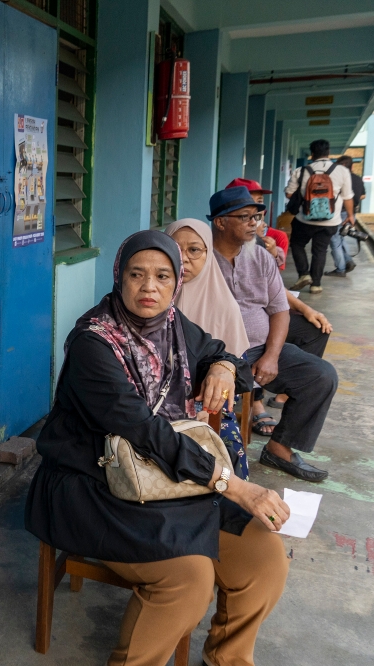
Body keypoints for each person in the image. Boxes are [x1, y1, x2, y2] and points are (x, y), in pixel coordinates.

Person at [25, 231, 289, 666]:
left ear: (176, 283)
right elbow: (144, 430)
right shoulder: (95, 343)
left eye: (163, 276)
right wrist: (234, 485)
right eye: (137, 274)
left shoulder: (174, 326)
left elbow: (225, 356)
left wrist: (222, 366)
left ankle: (227, 659)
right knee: (189, 579)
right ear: (119, 277)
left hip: (171, 476)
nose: (150, 287)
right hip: (95, 481)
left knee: (265, 558)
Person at [210, 187, 338, 481]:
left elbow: (279, 309)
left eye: (256, 216)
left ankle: (279, 448)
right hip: (216, 355)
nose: (254, 223)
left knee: (321, 375)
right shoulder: (199, 259)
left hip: (257, 349)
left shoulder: (260, 258)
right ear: (220, 222)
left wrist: (272, 355)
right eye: (244, 217)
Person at [224, 179, 333, 422]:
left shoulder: (264, 242)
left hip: (264, 318)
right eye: (246, 212)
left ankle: (282, 392)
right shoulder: (208, 250)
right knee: (254, 347)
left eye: (258, 209)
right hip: (240, 339)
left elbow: (275, 293)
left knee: (314, 329)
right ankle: (257, 402)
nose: (254, 218)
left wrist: (305, 309)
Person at [165, 218, 252, 479]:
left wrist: (204, 406)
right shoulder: (151, 296)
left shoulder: (224, 307)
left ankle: (231, 511)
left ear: (208, 255)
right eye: (175, 249)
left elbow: (239, 374)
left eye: (194, 250)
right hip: (152, 402)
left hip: (206, 403)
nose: (184, 259)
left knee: (221, 442)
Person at [285, 139, 354, 293]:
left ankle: (304, 274)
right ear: (328, 153)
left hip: (305, 219)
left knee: (297, 244)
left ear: (312, 154)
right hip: (331, 220)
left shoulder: (301, 171)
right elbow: (348, 196)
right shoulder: (342, 171)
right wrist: (350, 215)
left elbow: (289, 194)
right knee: (320, 251)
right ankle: (316, 285)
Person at [325, 155, 364, 277]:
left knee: (335, 241)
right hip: (352, 213)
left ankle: (341, 269)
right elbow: (363, 196)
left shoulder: (339, 177)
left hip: (339, 212)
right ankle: (348, 261)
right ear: (352, 166)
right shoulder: (358, 179)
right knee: (341, 239)